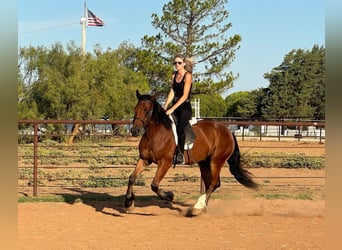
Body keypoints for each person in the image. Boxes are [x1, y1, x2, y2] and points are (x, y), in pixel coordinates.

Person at [163, 54, 194, 164]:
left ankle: (180, 154)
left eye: (179, 63)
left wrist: (172, 109)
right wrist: (166, 106)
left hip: (184, 106)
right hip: (175, 105)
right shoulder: (174, 75)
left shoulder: (188, 76)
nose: (176, 65)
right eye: (175, 63)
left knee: (180, 127)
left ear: (184, 64)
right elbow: (172, 92)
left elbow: (185, 95)